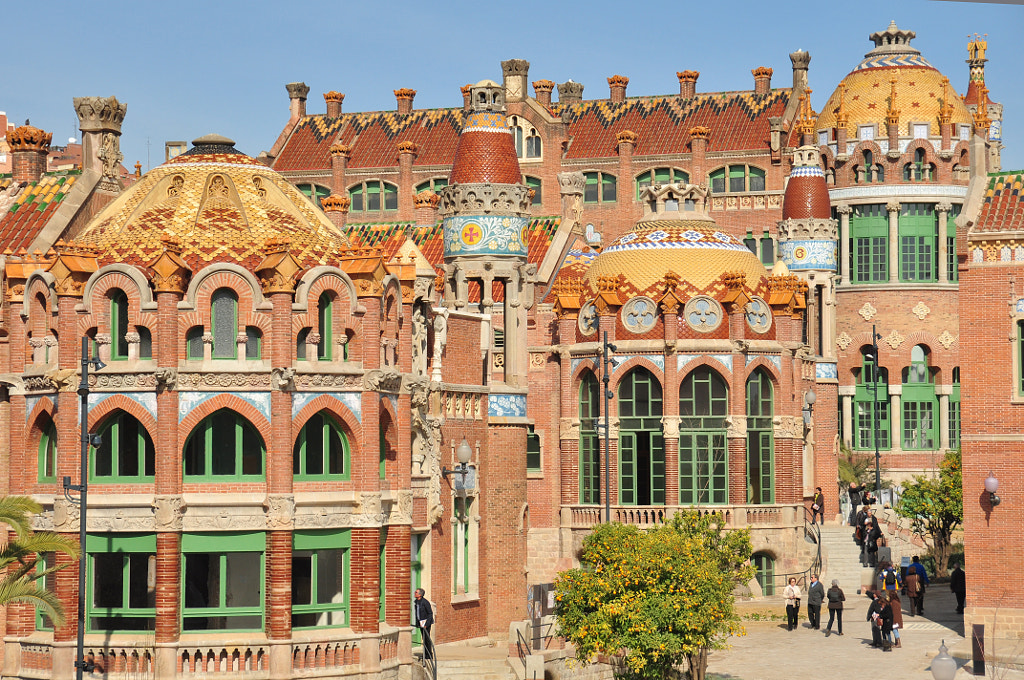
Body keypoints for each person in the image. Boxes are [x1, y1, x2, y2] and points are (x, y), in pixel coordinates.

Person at [414, 588, 435, 659]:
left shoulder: (425, 602)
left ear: (420, 594)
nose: (414, 593)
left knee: (426, 638)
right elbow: (417, 614)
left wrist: (426, 624)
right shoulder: (416, 602)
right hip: (420, 623)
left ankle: (428, 654)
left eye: (416, 592)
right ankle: (425, 653)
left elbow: (430, 613)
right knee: (424, 638)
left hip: (426, 623)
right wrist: (417, 623)